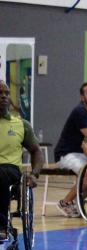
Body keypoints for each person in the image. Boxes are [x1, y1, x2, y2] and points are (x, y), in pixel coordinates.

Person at [0, 81, 44, 240]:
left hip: (9, 170)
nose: (4, 96)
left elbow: (36, 151)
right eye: (0, 93)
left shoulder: (20, 124)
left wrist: (34, 174)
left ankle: (2, 226)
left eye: (6, 93)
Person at [54, 81, 87, 217]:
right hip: (67, 153)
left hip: (84, 153)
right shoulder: (79, 112)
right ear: (82, 97)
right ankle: (65, 202)